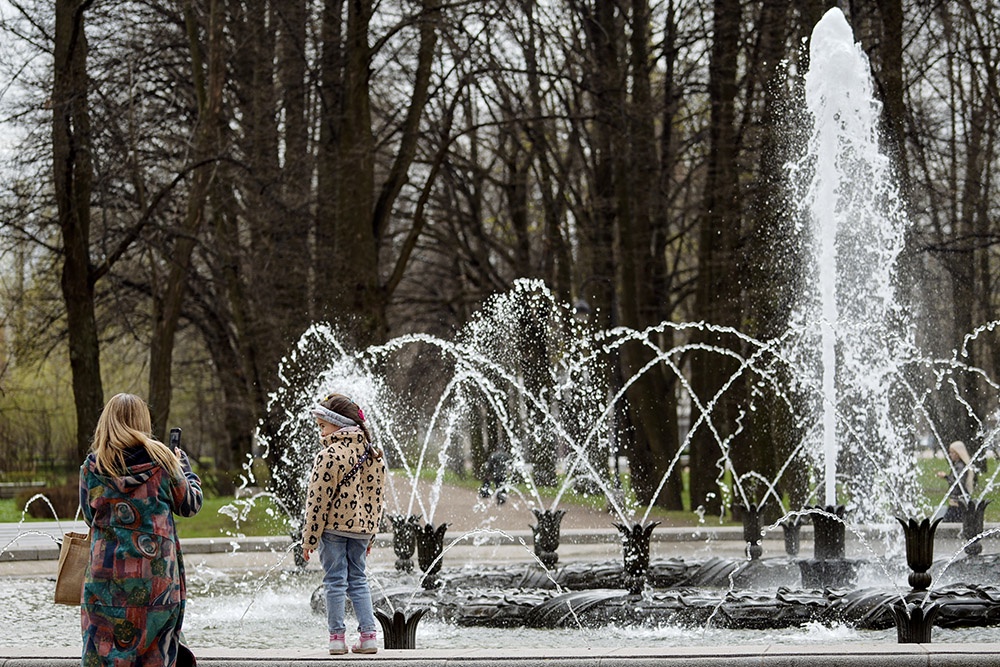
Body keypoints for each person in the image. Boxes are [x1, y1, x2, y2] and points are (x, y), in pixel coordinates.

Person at [78, 393, 203, 667]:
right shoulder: (163, 461)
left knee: (104, 653)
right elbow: (189, 505)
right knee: (156, 655)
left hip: (105, 582)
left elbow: (90, 517)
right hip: (156, 581)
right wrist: (186, 470)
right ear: (142, 421)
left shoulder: (92, 467)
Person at [301, 393, 386, 656]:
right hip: (361, 530)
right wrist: (371, 536)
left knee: (334, 581)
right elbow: (377, 500)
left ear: (339, 424)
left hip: (333, 529)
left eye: (323, 426)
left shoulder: (329, 455)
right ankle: (369, 636)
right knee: (359, 580)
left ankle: (337, 639)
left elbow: (317, 502)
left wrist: (309, 539)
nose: (321, 431)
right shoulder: (373, 454)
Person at [936, 440, 975, 522]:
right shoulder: (959, 465)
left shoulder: (960, 466)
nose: (950, 455)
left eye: (952, 453)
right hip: (957, 501)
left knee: (948, 523)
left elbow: (958, 482)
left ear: (958, 453)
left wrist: (946, 476)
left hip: (957, 502)